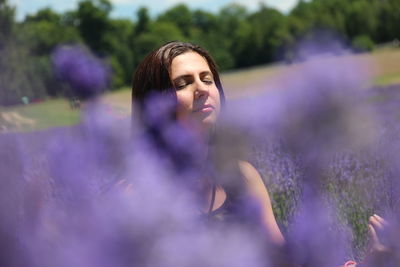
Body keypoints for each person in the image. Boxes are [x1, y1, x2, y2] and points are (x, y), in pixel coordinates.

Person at [131, 41, 285, 246]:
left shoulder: (242, 177)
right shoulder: (133, 196)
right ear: (152, 104)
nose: (201, 89)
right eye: (182, 84)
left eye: (207, 79)